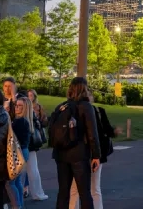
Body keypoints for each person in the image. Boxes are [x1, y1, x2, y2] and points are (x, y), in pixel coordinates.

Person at [51, 77, 102, 209]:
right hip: (79, 154)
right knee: (84, 193)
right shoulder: (86, 107)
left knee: (63, 192)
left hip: (61, 154)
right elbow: (92, 133)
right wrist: (96, 155)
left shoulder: (62, 107)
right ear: (85, 89)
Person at [69, 96, 118, 209]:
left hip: (82, 154)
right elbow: (107, 131)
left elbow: (107, 130)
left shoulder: (75, 111)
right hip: (93, 154)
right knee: (93, 189)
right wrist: (114, 132)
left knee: (77, 189)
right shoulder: (97, 111)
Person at [8, 97, 33, 207]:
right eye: (16, 105)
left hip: (19, 151)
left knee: (11, 182)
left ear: (25, 108)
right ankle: (19, 205)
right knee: (17, 182)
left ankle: (17, 205)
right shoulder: (24, 120)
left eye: (19, 106)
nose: (16, 107)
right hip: (23, 151)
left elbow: (13, 137)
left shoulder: (20, 121)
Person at [25, 90, 48, 201]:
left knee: (32, 169)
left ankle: (36, 192)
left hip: (29, 144)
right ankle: (31, 192)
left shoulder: (37, 109)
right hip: (25, 144)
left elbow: (43, 121)